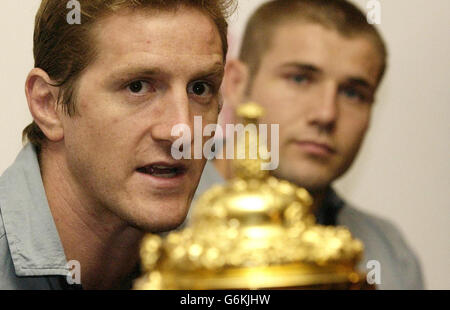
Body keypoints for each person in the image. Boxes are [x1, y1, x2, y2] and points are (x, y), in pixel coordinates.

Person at [0, 0, 234, 289]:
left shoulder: (229, 257)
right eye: (137, 86)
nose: (182, 131)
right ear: (48, 105)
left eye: (200, 88)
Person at [193, 0, 424, 289]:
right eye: (300, 78)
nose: (326, 114)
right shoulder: (156, 223)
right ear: (237, 84)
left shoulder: (390, 257)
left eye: (353, 93)